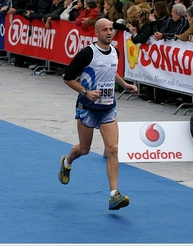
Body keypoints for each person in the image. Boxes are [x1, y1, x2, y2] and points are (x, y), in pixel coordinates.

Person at [59, 18, 138, 210]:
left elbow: (111, 72)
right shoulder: (87, 54)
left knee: (112, 149)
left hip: (108, 108)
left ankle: (114, 195)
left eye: (111, 29)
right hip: (87, 108)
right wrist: (86, 92)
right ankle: (67, 161)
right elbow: (68, 78)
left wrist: (125, 84)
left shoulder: (116, 52)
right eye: (105, 30)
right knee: (84, 150)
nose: (109, 32)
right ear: (96, 33)